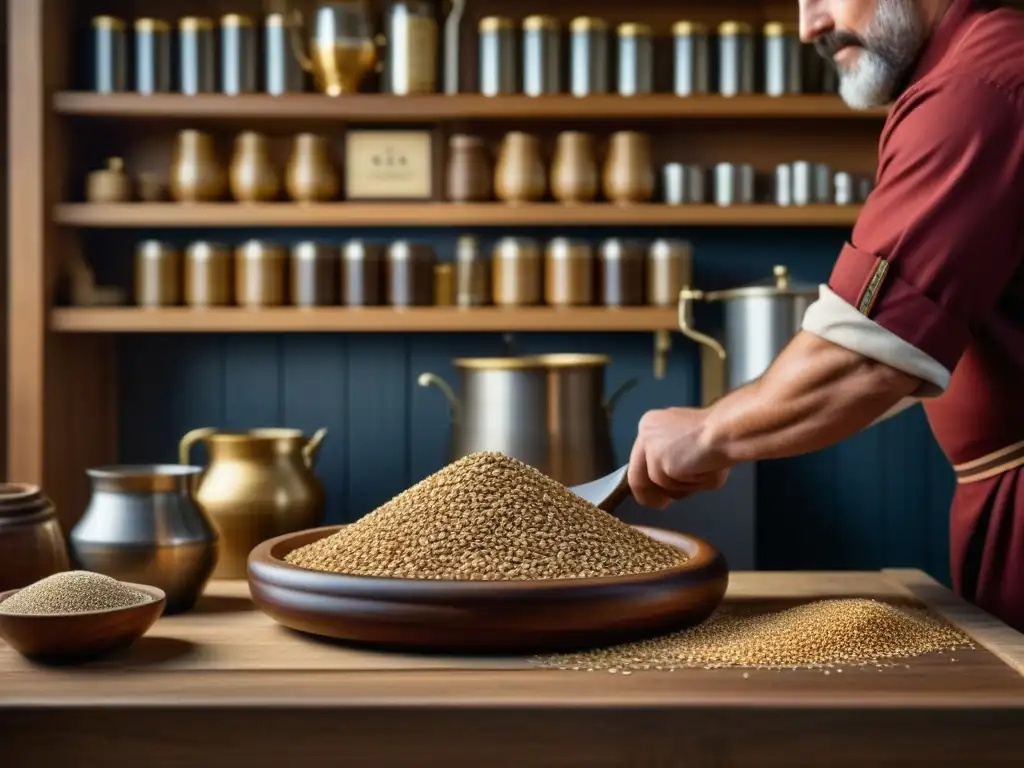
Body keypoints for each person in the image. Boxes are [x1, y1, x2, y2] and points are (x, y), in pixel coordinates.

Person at [627, 0, 1024, 629]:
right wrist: (743, 425)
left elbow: (866, 357)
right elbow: (917, 338)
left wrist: (707, 433)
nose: (809, 25)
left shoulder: (979, 87)